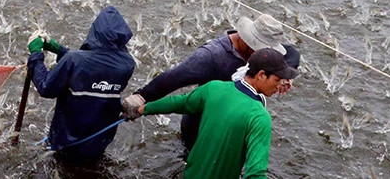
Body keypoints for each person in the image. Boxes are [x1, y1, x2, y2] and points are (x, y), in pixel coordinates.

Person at [121, 13, 300, 150]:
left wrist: (284, 77)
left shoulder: (261, 56)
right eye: (259, 49)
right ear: (246, 40)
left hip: (232, 124)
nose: (263, 55)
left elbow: (292, 54)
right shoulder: (211, 56)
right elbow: (172, 78)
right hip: (202, 127)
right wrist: (141, 97)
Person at [137, 48, 299, 179]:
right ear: (262, 75)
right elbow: (255, 173)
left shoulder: (214, 88)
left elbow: (180, 102)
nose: (280, 85)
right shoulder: (259, 117)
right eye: (278, 80)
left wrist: (145, 108)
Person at [27, 6, 136, 161]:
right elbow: (91, 67)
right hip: (99, 141)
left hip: (67, 140)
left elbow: (46, 87)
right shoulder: (127, 65)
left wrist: (36, 55)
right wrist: (59, 50)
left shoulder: (74, 60)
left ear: (95, 31)